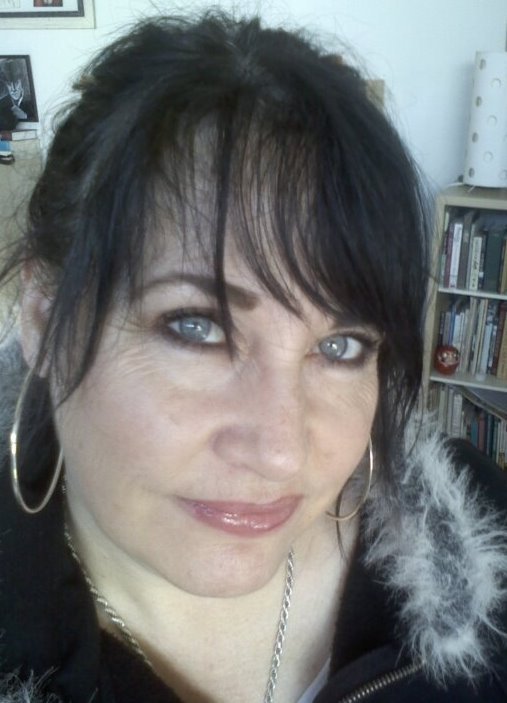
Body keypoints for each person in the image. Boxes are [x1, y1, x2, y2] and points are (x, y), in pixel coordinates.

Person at [0, 12, 506, 703]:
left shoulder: (486, 541)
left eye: (340, 346)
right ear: (43, 318)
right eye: (196, 327)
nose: (280, 452)